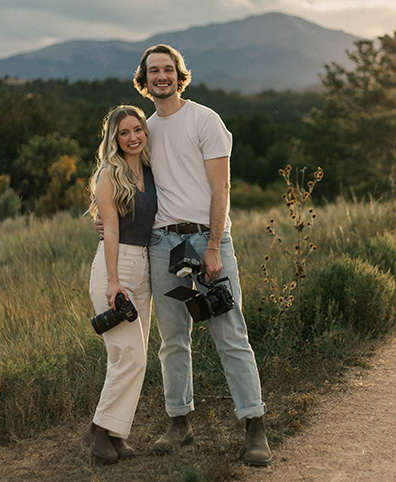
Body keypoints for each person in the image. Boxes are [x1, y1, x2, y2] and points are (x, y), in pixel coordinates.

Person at [133, 44, 271, 466]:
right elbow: (135, 189)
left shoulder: (205, 119)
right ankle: (180, 422)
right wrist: (107, 221)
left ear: (179, 74)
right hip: (164, 246)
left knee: (231, 333)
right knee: (173, 339)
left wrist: (212, 246)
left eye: (168, 69)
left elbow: (221, 189)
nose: (161, 76)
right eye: (153, 70)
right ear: (144, 80)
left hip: (209, 242)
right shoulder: (146, 132)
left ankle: (254, 425)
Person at [84, 105, 157, 464]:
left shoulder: (150, 169)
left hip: (144, 264)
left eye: (137, 130)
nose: (133, 137)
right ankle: (99, 430)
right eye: (124, 132)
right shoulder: (109, 175)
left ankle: (113, 434)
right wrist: (114, 282)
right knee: (132, 355)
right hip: (116, 266)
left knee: (126, 356)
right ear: (114, 138)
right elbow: (110, 229)